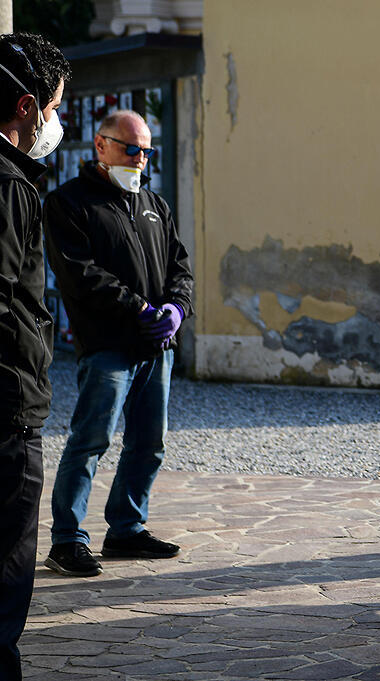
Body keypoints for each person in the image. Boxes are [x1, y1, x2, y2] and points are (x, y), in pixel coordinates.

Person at [43, 110, 194, 578]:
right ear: (101, 147)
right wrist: (140, 310)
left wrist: (176, 310)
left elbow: (179, 268)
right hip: (108, 345)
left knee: (149, 443)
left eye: (146, 150)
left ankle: (126, 528)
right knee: (91, 440)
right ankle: (67, 539)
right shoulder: (69, 204)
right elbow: (80, 274)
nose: (140, 158)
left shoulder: (154, 204)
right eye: (131, 148)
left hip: (156, 349)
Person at [0, 31, 70, 681]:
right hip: (3, 415)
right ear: (26, 107)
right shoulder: (9, 184)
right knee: (5, 570)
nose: (57, 121)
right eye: (53, 106)